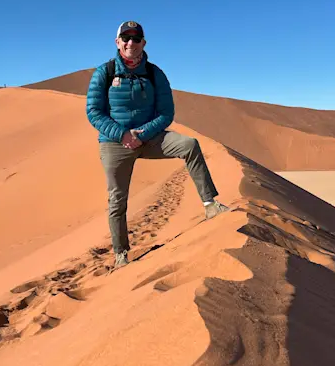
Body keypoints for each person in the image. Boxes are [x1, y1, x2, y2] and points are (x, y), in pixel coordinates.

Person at [86, 21, 229, 269]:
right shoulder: (104, 72)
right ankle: (121, 255)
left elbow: (166, 113)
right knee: (117, 199)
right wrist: (122, 135)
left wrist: (143, 133)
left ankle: (210, 205)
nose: (131, 43)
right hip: (115, 142)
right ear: (117, 42)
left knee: (189, 145)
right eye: (126, 38)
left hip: (149, 137)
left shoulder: (155, 73)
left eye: (136, 38)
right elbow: (94, 113)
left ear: (144, 43)